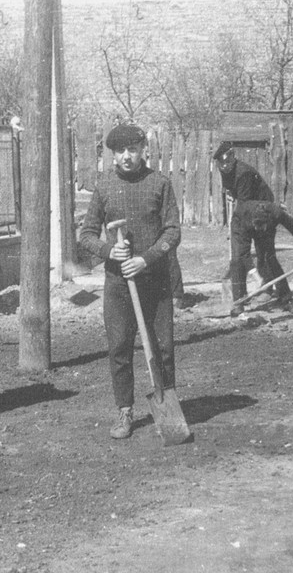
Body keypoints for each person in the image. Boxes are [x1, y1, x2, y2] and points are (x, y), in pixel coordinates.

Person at [79, 123, 180, 440]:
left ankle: (168, 406)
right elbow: (86, 235)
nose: (127, 156)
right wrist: (110, 251)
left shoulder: (159, 184)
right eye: (120, 151)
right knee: (119, 348)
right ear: (112, 155)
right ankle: (125, 411)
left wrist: (145, 258)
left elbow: (173, 231)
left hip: (155, 281)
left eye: (133, 150)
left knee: (163, 348)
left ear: (143, 151)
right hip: (118, 284)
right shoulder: (105, 187)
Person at [213, 142, 293, 316]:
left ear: (233, 157)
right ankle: (239, 300)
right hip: (243, 214)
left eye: (226, 163)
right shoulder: (224, 169)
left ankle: (284, 297)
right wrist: (230, 193)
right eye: (221, 164)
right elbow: (233, 192)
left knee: (267, 255)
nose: (224, 167)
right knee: (237, 259)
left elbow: (246, 203)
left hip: (262, 212)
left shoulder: (244, 173)